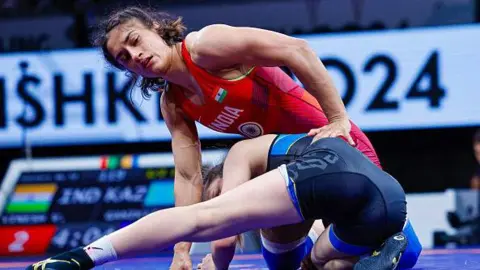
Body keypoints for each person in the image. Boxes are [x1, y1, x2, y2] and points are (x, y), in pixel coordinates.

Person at [92, 6, 382, 267]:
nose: (135, 55)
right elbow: (189, 176)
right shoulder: (173, 104)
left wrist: (337, 119)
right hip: (294, 169)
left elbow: (297, 49)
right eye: (124, 58)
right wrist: (182, 252)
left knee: (361, 251)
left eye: (134, 40)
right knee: (299, 263)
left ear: (155, 27)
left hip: (337, 147)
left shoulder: (204, 46)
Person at [26, 135, 413, 270]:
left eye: (225, 190)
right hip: (389, 202)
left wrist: (216, 263)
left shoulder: (241, 153)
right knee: (322, 262)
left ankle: (83, 256)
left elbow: (221, 231)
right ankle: (375, 257)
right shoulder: (290, 188)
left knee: (201, 219)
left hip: (331, 172)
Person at [197, 134, 422, 270]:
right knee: (331, 265)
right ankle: (369, 260)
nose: (222, 203)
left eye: (220, 193)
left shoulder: (244, 157)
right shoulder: (282, 169)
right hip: (396, 224)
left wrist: (217, 264)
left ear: (226, 174)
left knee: (302, 260)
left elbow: (223, 242)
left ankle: (362, 256)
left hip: (363, 202)